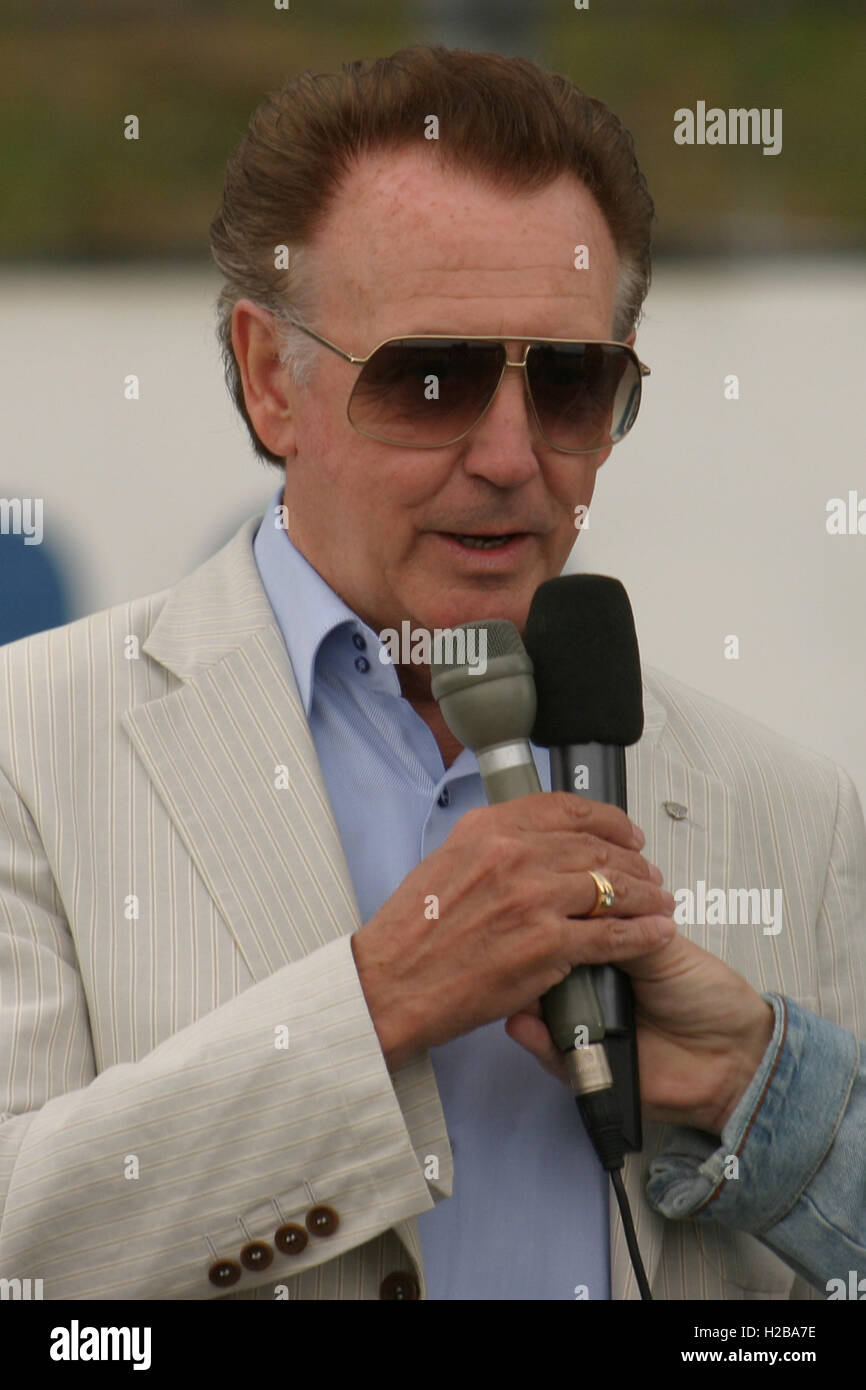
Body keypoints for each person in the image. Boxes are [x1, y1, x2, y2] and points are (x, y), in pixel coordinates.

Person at [0, 46, 863, 1302]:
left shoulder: (794, 809)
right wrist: (373, 1002)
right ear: (266, 378)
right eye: (428, 377)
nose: (511, 455)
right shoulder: (28, 745)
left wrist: (758, 1099)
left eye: (568, 383)